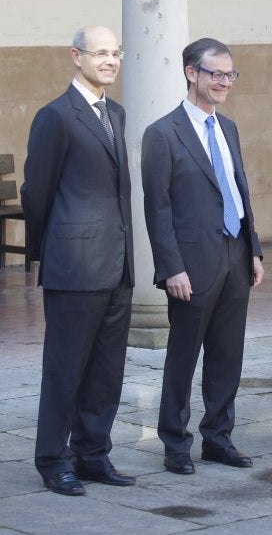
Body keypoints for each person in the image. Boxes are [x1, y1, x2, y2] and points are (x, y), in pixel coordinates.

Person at [21, 26, 135, 496]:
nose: (109, 60)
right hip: (74, 264)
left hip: (117, 263)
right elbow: (36, 191)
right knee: (65, 369)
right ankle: (53, 459)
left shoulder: (118, 114)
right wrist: (48, 252)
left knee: (106, 369)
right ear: (76, 56)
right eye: (100, 53)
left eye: (115, 53)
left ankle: (93, 454)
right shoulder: (56, 116)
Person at [141, 37, 264, 473]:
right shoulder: (162, 133)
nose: (224, 82)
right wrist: (170, 266)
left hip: (235, 255)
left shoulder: (227, 127)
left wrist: (253, 249)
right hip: (190, 266)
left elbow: (238, 190)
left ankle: (219, 438)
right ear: (192, 73)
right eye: (216, 73)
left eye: (230, 74)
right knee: (184, 355)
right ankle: (175, 442)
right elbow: (157, 209)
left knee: (228, 354)